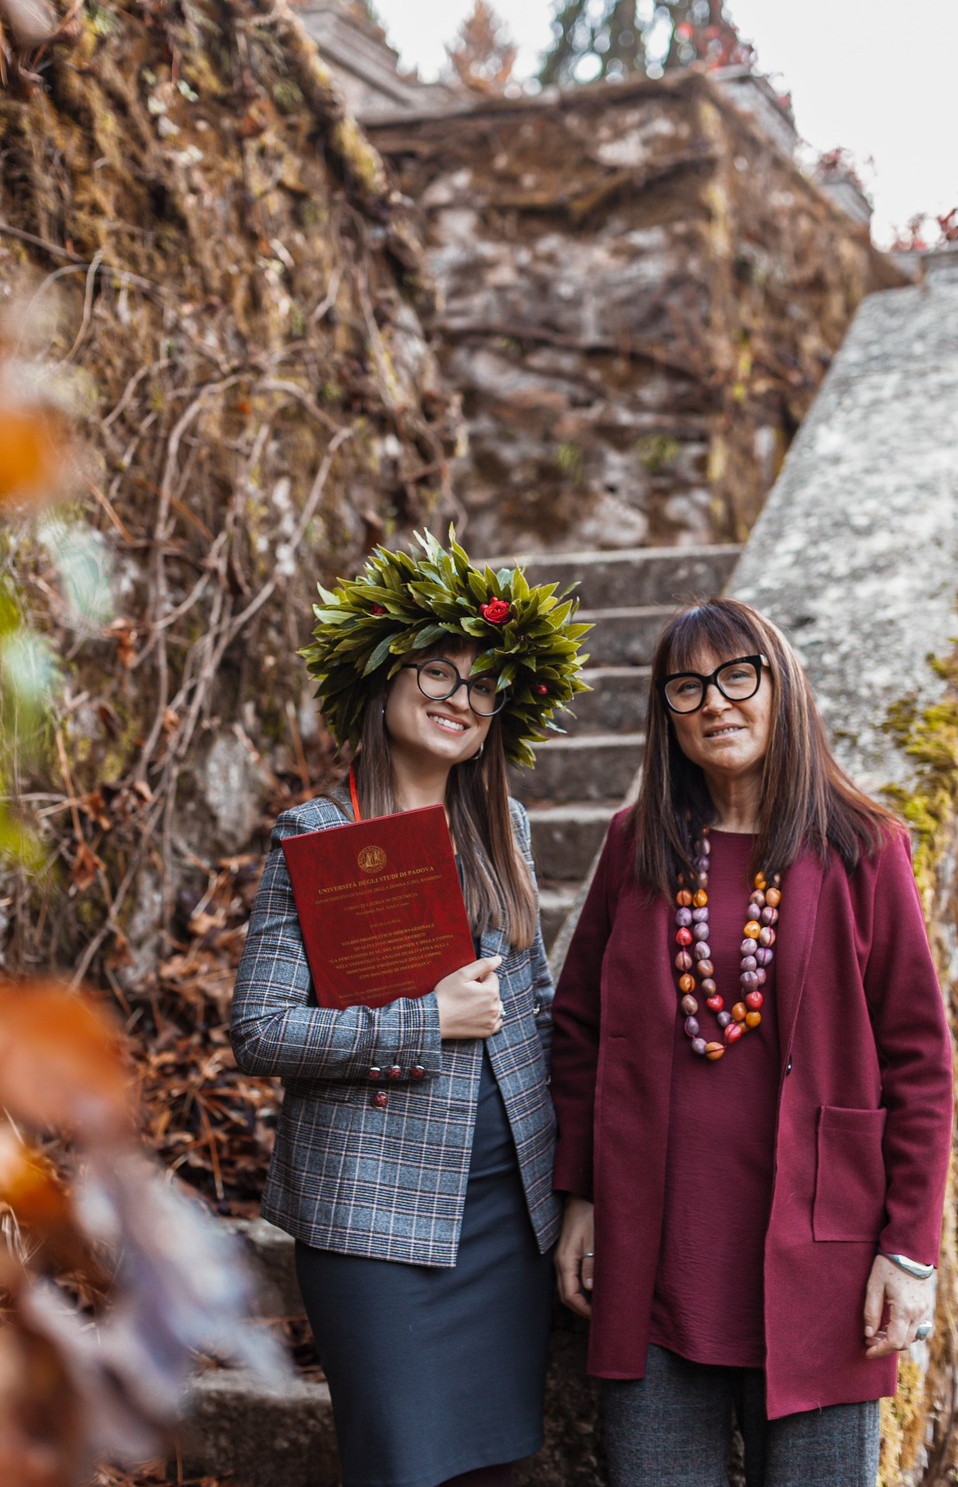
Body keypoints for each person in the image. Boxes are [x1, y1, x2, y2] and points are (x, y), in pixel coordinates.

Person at [549, 596, 953, 1487]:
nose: (715, 703)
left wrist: (908, 1251)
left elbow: (921, 1062)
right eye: (686, 687)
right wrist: (579, 1195)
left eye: (738, 676)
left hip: (826, 1266)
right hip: (655, 1261)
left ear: (782, 686)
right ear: (666, 715)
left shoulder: (863, 846)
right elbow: (576, 1026)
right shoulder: (637, 844)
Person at [230, 529, 588, 1487]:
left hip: (508, 1216)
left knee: (497, 1468)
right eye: (438, 671)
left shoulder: (507, 826)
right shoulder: (318, 832)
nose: (459, 698)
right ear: (384, 678)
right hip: (374, 1221)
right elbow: (260, 1029)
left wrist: (578, 1186)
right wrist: (423, 1022)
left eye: (483, 686)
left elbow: (538, 1009)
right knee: (398, 1466)